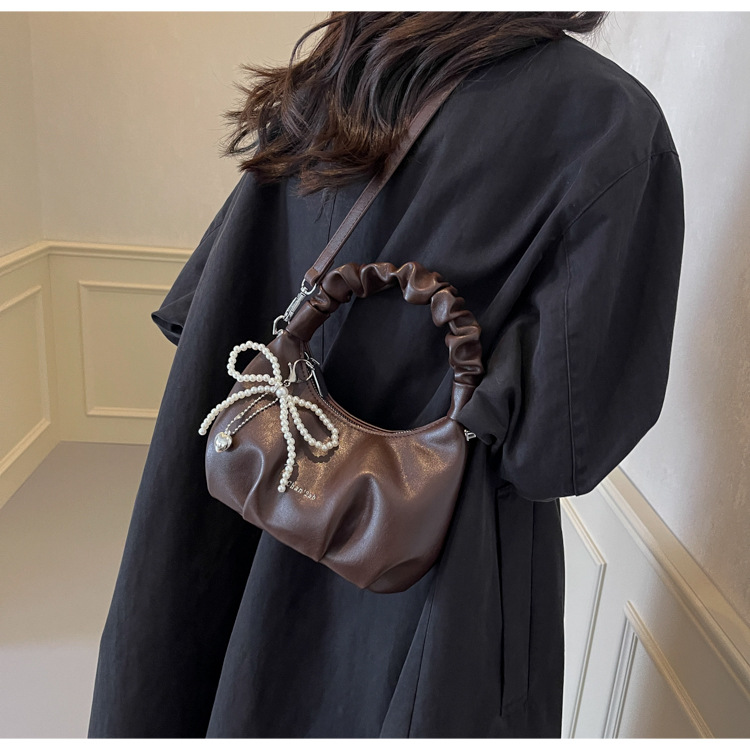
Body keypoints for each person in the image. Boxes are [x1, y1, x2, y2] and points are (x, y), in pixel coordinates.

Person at [88, 11, 685, 738]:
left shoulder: (349, 57)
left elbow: (207, 307)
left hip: (239, 488)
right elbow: (554, 452)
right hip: (421, 568)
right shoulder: (606, 119)